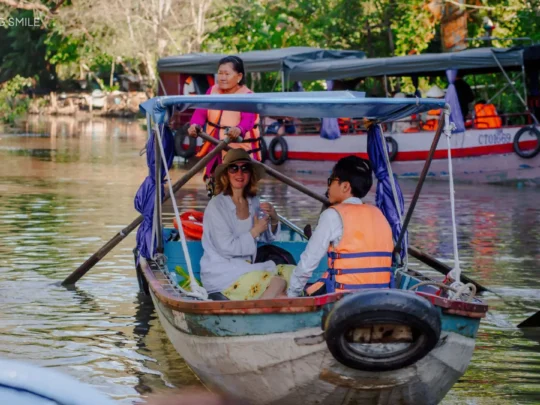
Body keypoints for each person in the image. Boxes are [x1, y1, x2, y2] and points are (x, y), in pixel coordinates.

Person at [286, 156, 394, 297]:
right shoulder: (380, 215)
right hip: (381, 297)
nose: (328, 186)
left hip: (343, 299)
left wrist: (292, 294)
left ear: (345, 186)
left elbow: (308, 262)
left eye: (331, 181)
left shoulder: (332, 215)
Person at [200, 148, 289, 301]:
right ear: (226, 174)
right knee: (279, 283)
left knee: (292, 274)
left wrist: (273, 219)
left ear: (250, 174)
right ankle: (259, 314)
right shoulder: (216, 206)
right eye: (234, 168)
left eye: (244, 168)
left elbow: (266, 237)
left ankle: (268, 310)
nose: (239, 174)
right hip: (222, 272)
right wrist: (254, 231)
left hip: (247, 268)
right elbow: (226, 247)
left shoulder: (253, 201)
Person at [187, 56, 262, 194]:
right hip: (214, 150)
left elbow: (248, 120)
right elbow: (200, 113)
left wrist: (239, 129)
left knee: (239, 194)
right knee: (215, 191)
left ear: (239, 76)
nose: (222, 77)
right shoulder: (212, 91)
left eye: (227, 74)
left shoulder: (248, 95)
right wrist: (195, 125)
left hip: (237, 153)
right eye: (220, 73)